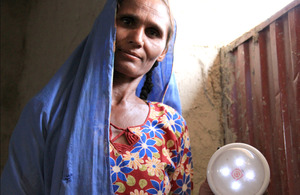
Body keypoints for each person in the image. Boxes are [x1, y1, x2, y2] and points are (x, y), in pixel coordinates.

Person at [1, 0, 195, 194]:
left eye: (153, 32)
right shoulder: (49, 114)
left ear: (163, 52)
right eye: (127, 21)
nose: (137, 38)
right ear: (105, 26)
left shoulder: (171, 126)